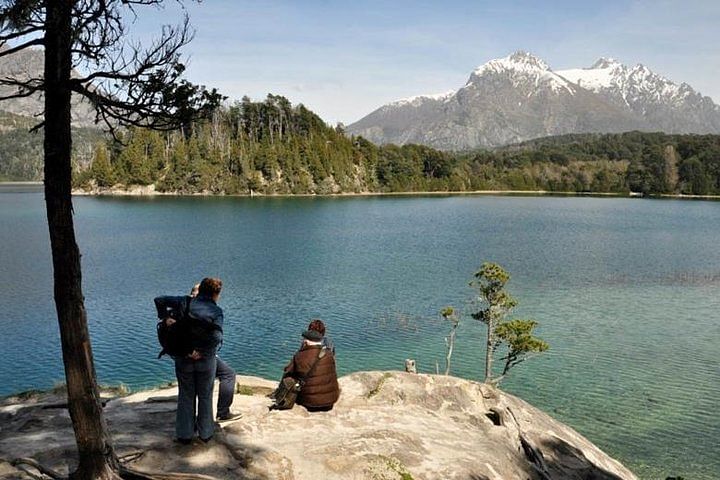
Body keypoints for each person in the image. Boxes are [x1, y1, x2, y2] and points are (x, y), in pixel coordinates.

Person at [155, 277, 225, 444]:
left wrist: (165, 318)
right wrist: (200, 352)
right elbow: (216, 337)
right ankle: (205, 433)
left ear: (200, 291)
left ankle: (185, 434)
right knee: (205, 395)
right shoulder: (216, 311)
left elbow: (159, 300)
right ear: (216, 294)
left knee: (186, 394)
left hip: (183, 356)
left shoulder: (183, 302)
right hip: (205, 359)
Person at [189, 284, 238, 423]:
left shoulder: (183, 307)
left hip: (185, 355)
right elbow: (215, 336)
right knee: (227, 375)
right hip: (203, 355)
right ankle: (220, 414)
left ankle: (189, 424)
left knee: (191, 389)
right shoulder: (206, 310)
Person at [282, 328, 340, 412]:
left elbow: (287, 370)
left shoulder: (300, 355)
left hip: (308, 402)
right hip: (330, 401)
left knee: (289, 376)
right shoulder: (329, 353)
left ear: (306, 342)